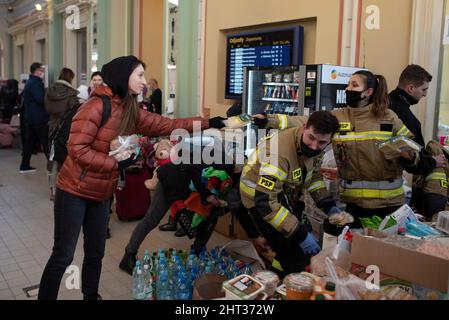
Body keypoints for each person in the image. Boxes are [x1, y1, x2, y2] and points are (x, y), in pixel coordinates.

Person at [37, 55, 226, 300]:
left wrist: (208, 122)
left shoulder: (128, 109)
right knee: (63, 255)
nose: (144, 81)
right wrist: (116, 162)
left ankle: (91, 295)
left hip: (102, 192)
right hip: (74, 190)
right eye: (139, 75)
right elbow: (77, 149)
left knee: (96, 252)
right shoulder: (95, 106)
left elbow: (166, 124)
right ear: (122, 77)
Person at [256, 71, 421, 229]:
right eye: (348, 84)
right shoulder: (338, 117)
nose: (348, 89)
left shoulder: (388, 117)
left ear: (368, 91)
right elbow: (306, 121)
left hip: (390, 203)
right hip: (354, 204)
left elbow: (412, 150)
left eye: (354, 85)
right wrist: (269, 120)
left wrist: (410, 157)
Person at [240, 111, 341, 276]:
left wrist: (328, 205)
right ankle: (283, 277)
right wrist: (300, 235)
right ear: (303, 128)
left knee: (293, 242)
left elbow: (313, 177)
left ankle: (280, 271)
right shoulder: (277, 152)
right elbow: (265, 202)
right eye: (311, 138)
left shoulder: (315, 141)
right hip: (257, 197)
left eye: (322, 142)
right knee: (290, 243)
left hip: (282, 192)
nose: (314, 146)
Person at [389, 65, 446, 209]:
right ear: (410, 88)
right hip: (387, 193)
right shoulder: (408, 120)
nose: (425, 94)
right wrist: (433, 162)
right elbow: (415, 163)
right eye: (424, 89)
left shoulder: (382, 103)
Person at [44, 68, 80, 201]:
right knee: (65, 157)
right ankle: (64, 187)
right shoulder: (71, 94)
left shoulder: (49, 90)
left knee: (52, 157)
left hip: (52, 127)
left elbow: (47, 108)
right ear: (70, 78)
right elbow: (75, 112)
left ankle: (52, 190)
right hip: (66, 129)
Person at [20, 62, 49, 173]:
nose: (43, 73)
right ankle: (52, 166)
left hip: (31, 117)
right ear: (36, 71)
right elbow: (40, 99)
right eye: (41, 70)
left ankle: (24, 165)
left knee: (30, 142)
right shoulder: (36, 83)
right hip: (39, 117)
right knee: (45, 142)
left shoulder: (30, 82)